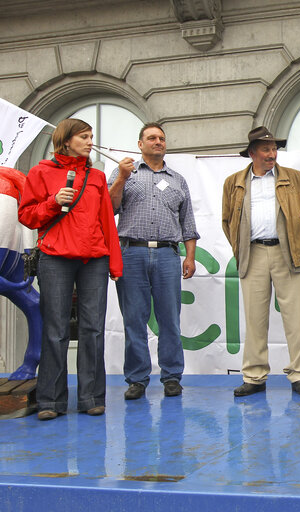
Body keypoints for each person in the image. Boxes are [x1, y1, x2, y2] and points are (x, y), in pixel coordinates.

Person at [18, 118, 122, 420]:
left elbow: (106, 222)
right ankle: (51, 401)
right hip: (55, 258)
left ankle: (91, 398)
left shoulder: (97, 177)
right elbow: (27, 215)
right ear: (65, 141)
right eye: (84, 137)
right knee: (56, 329)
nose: (90, 141)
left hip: (94, 259)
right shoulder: (39, 172)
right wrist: (52, 202)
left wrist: (115, 262)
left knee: (93, 329)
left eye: (91, 136)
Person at [222, 126, 300, 397]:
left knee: (295, 318)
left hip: (286, 251)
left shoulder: (295, 178)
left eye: (274, 149)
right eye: (266, 149)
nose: (272, 154)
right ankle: (254, 376)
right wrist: (239, 248)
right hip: (252, 253)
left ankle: (299, 375)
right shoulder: (234, 182)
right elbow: (226, 220)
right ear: (252, 153)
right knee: (254, 318)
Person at [108, 122, 199, 400]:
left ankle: (171, 376)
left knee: (169, 319)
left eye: (161, 138)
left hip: (166, 254)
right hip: (131, 253)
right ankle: (137, 379)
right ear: (140, 144)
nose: (158, 142)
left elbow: (188, 223)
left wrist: (190, 257)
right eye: (151, 138)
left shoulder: (177, 179)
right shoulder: (125, 172)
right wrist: (122, 178)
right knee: (134, 320)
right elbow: (109, 208)